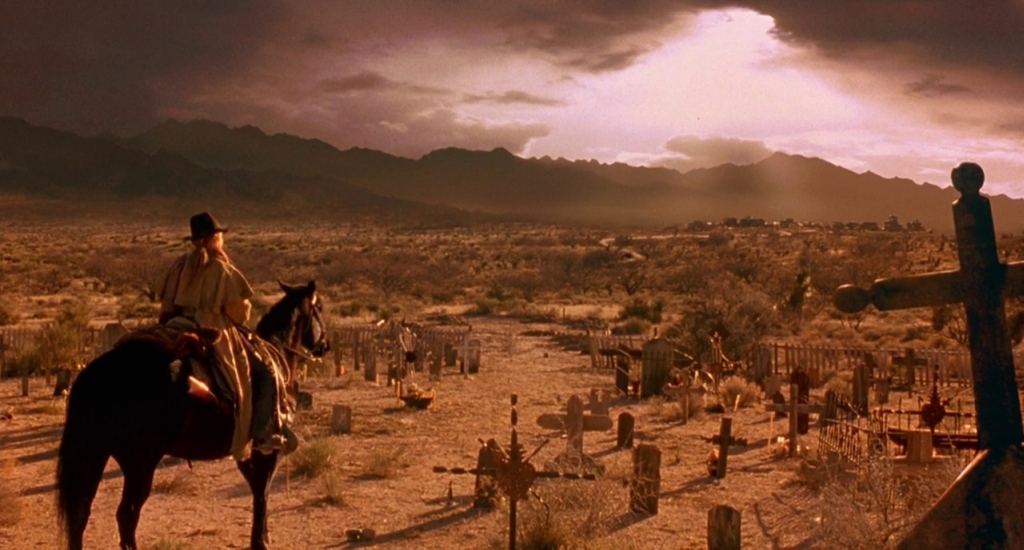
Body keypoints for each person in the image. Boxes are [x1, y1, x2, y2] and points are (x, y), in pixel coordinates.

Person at [155, 212, 294, 459]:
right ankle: (262, 433)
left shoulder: (178, 265)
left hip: (176, 324)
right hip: (215, 328)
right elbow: (239, 315)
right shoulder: (220, 267)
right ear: (215, 238)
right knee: (265, 372)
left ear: (194, 240)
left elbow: (165, 307)